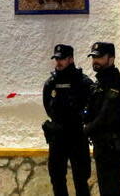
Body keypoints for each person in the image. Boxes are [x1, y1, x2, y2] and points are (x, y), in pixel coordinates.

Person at [83, 42, 120, 196]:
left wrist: (86, 130)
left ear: (111, 59)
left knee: (111, 189)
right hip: (102, 144)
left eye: (99, 57)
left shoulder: (116, 84)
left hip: (112, 145)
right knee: (106, 188)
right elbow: (91, 110)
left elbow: (106, 114)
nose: (95, 61)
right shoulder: (99, 83)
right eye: (93, 57)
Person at [42, 44, 94, 196]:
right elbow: (48, 107)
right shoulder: (50, 83)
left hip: (77, 135)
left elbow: (91, 107)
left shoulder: (83, 82)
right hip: (57, 136)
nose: (58, 62)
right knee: (57, 178)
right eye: (56, 59)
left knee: (81, 179)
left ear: (71, 59)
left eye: (62, 59)